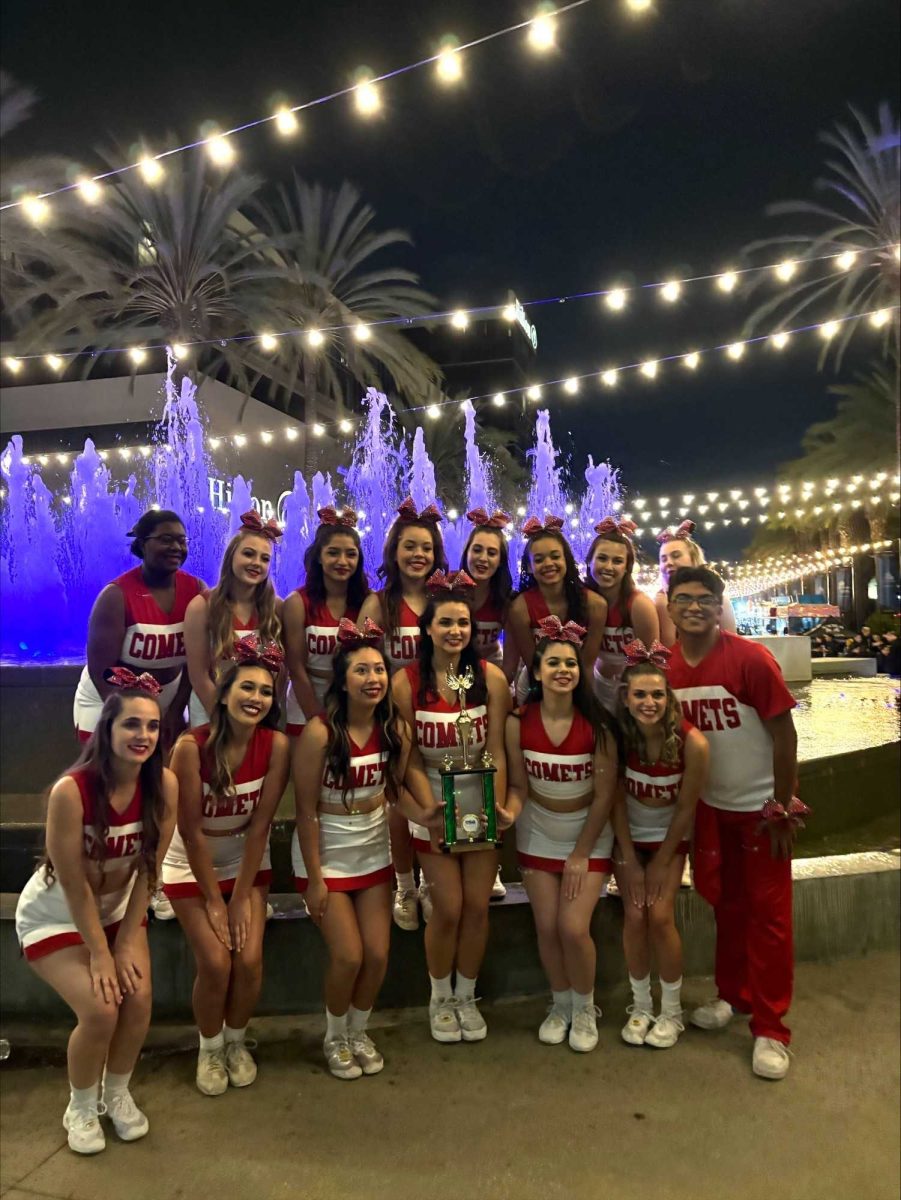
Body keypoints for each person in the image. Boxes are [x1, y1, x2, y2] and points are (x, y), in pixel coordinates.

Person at [15, 670, 177, 1154]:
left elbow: (150, 870)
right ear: (106, 729)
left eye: (151, 726)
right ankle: (80, 1105)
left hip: (119, 911)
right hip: (57, 914)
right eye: (131, 724)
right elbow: (72, 883)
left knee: (139, 1000)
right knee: (100, 1009)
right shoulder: (72, 791)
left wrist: (126, 939)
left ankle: (116, 1093)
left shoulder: (164, 786)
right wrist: (100, 952)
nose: (142, 736)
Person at [665, 565, 802, 1081]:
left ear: (720, 605)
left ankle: (771, 1028)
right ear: (670, 606)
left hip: (759, 811)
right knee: (725, 905)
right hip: (711, 813)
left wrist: (782, 806)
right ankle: (733, 995)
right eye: (684, 598)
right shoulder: (669, 667)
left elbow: (784, 735)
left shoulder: (748, 659)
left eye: (705, 598)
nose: (694, 607)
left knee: (769, 919)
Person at [292, 619, 443, 1079]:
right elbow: (304, 812)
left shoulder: (393, 728)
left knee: (378, 954)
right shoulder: (319, 733)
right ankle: (334, 1035)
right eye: (361, 670)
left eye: (379, 669)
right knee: (349, 955)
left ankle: (359, 1030)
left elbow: (397, 793)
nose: (373, 678)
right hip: (327, 853)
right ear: (341, 679)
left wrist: (434, 817)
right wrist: (315, 878)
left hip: (372, 851)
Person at [161, 637, 290, 1096]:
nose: (256, 698)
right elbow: (191, 832)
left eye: (266, 691)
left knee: (249, 959)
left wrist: (239, 901)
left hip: (244, 860)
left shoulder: (276, 746)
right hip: (190, 864)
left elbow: (259, 830)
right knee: (216, 963)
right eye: (247, 688)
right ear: (223, 691)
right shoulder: (190, 749)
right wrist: (215, 902)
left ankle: (236, 1042)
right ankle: (209, 1047)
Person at [392, 570, 510, 1043]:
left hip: (478, 803)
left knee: (477, 907)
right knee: (448, 906)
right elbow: (410, 759)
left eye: (463, 623)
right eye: (446, 623)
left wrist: (491, 804)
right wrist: (430, 811)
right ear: (428, 628)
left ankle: (466, 994)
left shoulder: (490, 678)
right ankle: (439, 996)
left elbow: (497, 748)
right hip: (433, 806)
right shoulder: (406, 683)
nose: (455, 631)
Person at [503, 616, 618, 1053]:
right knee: (547, 928)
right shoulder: (518, 721)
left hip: (587, 834)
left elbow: (605, 796)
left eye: (570, 663)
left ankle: (586, 1007)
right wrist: (508, 814)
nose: (563, 670)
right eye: (553, 663)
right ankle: (561, 1003)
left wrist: (581, 854)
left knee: (572, 927)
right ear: (536, 671)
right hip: (537, 832)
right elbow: (518, 786)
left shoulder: (600, 725)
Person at [609, 640, 707, 1049]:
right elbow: (613, 800)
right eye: (640, 694)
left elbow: (686, 810)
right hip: (629, 839)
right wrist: (630, 860)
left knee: (660, 916)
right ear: (626, 698)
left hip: (670, 841)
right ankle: (640, 1005)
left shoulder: (692, 744)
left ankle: (671, 1011)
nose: (649, 702)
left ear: (669, 698)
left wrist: (660, 863)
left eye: (657, 694)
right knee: (634, 915)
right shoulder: (617, 738)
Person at [359, 497, 449, 932]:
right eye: (410, 546)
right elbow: (360, 663)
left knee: (436, 793)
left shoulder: (446, 598)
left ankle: (431, 879)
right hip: (392, 719)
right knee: (399, 801)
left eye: (427, 548)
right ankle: (404, 884)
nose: (419, 555)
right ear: (394, 551)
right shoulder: (378, 605)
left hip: (438, 716)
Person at [73, 509, 205, 745]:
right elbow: (101, 671)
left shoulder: (197, 590)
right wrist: (131, 715)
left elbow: (198, 662)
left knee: (162, 776)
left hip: (170, 698)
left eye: (181, 540)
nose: (176, 546)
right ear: (143, 544)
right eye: (166, 539)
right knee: (110, 775)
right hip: (109, 698)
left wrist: (177, 709)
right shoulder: (115, 596)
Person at [460, 506, 517, 901]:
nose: (483, 558)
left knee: (489, 764)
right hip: (450, 684)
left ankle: (490, 861)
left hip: (489, 685)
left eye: (492, 553)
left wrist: (500, 693)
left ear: (501, 560)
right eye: (477, 550)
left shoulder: (506, 601)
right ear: (466, 551)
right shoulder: (450, 589)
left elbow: (510, 660)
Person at [184, 510, 283, 727]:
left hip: (258, 710)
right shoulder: (201, 607)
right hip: (212, 712)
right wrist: (225, 722)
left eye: (265, 558)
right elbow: (199, 676)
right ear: (231, 557)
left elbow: (283, 671)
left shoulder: (276, 608)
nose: (256, 563)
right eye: (248, 554)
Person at [283, 506, 369, 737]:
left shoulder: (367, 603)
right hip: (304, 700)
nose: (342, 561)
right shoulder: (297, 602)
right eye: (333, 553)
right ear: (319, 556)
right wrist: (315, 717)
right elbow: (296, 668)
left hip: (352, 700)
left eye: (351, 554)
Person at [507, 515, 606, 701]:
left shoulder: (595, 605)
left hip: (579, 686)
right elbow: (532, 664)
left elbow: (586, 664)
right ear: (528, 567)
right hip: (535, 687)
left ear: (566, 560)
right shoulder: (520, 608)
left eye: (555, 556)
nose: (548, 564)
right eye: (539, 559)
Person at [585, 516, 660, 713]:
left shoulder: (639, 605)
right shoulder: (582, 601)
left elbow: (654, 659)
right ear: (589, 561)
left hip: (633, 691)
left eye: (617, 561)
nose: (608, 567)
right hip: (597, 686)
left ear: (627, 567)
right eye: (602, 558)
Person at [654, 520, 736, 647]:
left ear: (694, 559)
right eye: (663, 559)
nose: (668, 563)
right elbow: (667, 652)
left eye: (676, 556)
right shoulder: (661, 601)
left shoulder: (721, 600)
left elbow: (732, 646)